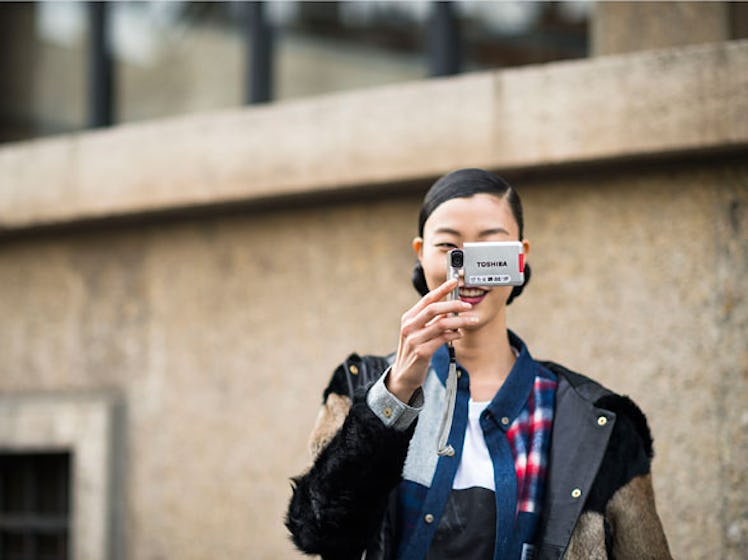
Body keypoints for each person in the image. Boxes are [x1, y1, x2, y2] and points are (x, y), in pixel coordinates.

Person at [286, 168, 672, 560]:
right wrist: (394, 395)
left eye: (490, 247)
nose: (467, 267)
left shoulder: (598, 422)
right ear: (421, 253)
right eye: (449, 248)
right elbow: (317, 534)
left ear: (519, 257)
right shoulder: (361, 387)